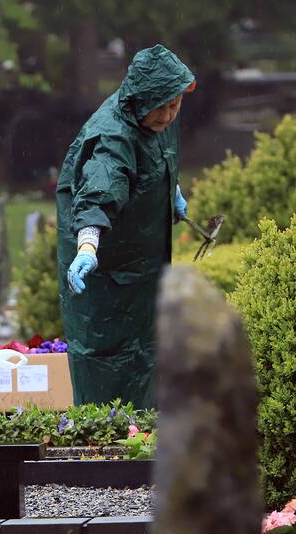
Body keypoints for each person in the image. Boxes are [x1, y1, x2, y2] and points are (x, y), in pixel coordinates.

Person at [57, 44, 195, 409]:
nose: (169, 114)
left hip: (143, 264)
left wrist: (171, 192)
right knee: (110, 362)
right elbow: (98, 193)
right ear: (140, 100)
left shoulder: (154, 114)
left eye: (175, 103)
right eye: (162, 105)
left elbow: (152, 160)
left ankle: (145, 437)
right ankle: (108, 450)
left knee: (148, 352)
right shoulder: (112, 139)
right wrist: (87, 245)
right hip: (108, 272)